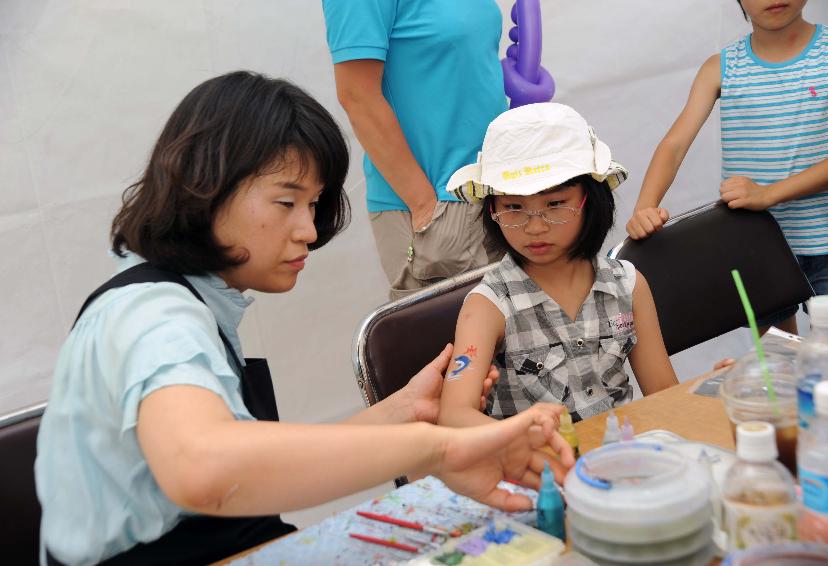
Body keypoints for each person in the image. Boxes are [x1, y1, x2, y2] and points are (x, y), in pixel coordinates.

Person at [34, 72, 575, 566]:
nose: (310, 231)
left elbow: (249, 461)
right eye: (286, 202)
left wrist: (407, 412)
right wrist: (441, 448)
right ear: (206, 186)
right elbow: (205, 470)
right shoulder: (151, 316)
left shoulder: (188, 303)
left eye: (314, 204)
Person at [437, 103, 678, 429]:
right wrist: (524, 438)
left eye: (555, 204)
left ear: (590, 200)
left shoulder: (628, 285)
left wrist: (712, 389)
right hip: (538, 471)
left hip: (625, 461)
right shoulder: (489, 304)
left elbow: (665, 396)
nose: (535, 227)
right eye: (513, 207)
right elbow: (454, 417)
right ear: (491, 208)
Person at [626, 0, 828, 329]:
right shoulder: (720, 67)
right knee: (777, 364)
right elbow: (673, 146)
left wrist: (769, 194)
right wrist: (645, 208)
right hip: (757, 247)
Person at [321, 0, 507, 300]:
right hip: (440, 204)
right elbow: (357, 97)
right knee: (447, 344)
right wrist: (425, 207)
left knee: (512, 340)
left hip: (496, 192)